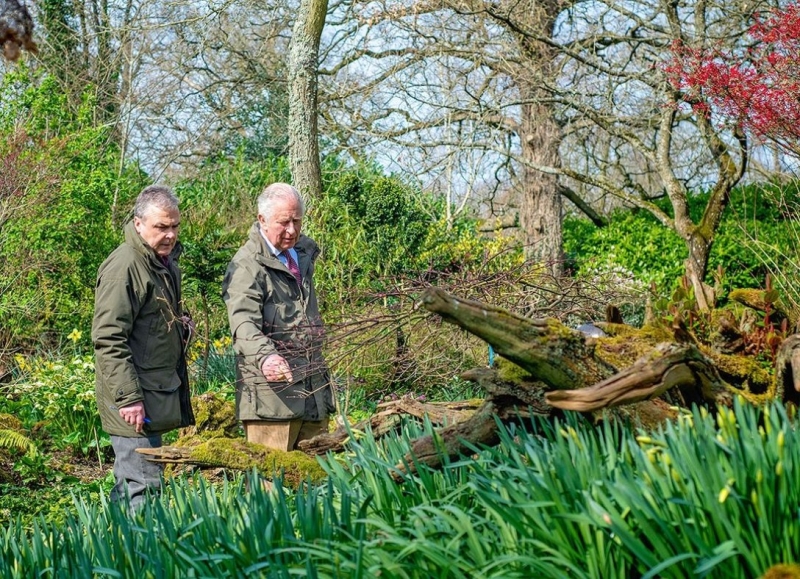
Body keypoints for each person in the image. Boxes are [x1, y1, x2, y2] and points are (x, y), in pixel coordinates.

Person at [92, 185, 195, 509]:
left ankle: (114, 553)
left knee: (133, 485)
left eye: (175, 226)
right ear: (138, 224)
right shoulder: (125, 267)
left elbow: (149, 326)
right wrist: (129, 398)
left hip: (152, 393)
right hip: (134, 400)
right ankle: (142, 558)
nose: (170, 235)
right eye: (161, 227)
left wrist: (181, 325)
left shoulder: (160, 262)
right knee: (144, 486)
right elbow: (108, 338)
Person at [222, 183, 335, 452]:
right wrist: (266, 357)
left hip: (314, 394)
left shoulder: (303, 255)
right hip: (271, 401)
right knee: (270, 489)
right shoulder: (246, 265)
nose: (292, 230)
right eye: (284, 222)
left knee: (317, 485)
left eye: (297, 221)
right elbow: (243, 325)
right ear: (262, 219)